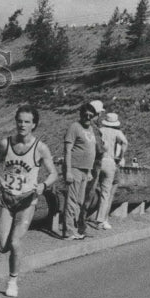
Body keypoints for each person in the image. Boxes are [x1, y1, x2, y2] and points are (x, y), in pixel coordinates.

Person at [0, 105, 57, 298]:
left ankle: (12, 281)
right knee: (3, 246)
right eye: (20, 121)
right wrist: (1, 182)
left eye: (27, 122)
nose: (22, 125)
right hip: (7, 201)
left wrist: (43, 186)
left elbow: (54, 173)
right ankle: (12, 253)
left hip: (27, 202)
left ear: (33, 124)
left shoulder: (40, 148)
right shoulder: (6, 144)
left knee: (16, 242)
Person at [62, 99, 104, 239]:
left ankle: (74, 228)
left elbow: (92, 149)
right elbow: (67, 150)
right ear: (80, 115)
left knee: (80, 201)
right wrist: (68, 171)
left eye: (90, 115)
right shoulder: (74, 127)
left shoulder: (91, 129)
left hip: (86, 170)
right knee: (72, 200)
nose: (87, 118)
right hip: (74, 168)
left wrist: (90, 171)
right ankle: (68, 230)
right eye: (85, 115)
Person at [90, 112, 128, 230]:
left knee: (91, 189)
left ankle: (81, 216)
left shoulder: (99, 130)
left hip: (97, 161)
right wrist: (121, 156)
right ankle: (100, 220)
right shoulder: (117, 132)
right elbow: (125, 142)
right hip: (110, 162)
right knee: (106, 193)